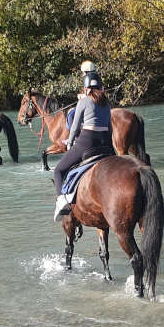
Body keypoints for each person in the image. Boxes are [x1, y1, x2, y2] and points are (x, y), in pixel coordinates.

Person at [53, 71, 113, 222]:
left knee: (59, 170)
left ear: (86, 88)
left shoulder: (84, 101)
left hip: (87, 141)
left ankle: (62, 202)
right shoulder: (107, 103)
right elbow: (110, 128)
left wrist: (70, 144)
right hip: (105, 143)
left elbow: (74, 127)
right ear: (100, 87)